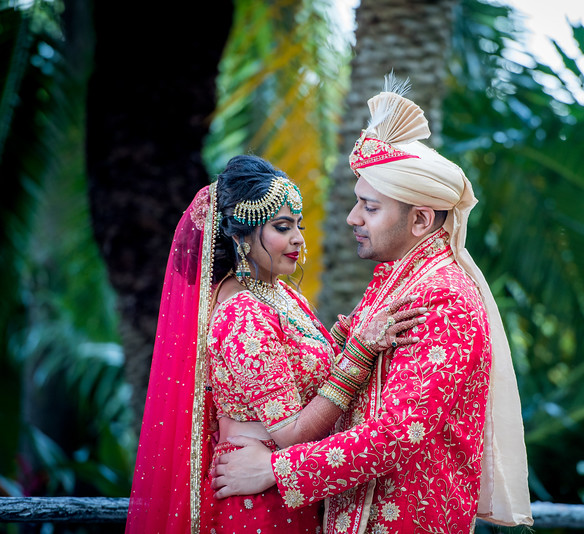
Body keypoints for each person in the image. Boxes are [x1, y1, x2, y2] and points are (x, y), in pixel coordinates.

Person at [211, 77, 534, 533]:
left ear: (420, 220)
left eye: (370, 207)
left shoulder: (445, 297)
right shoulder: (394, 281)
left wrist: (274, 471)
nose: (352, 218)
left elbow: (400, 431)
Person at [125, 154, 426, 534]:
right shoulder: (242, 314)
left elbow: (297, 369)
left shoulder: (278, 293)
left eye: (298, 225)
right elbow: (290, 432)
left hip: (286, 486)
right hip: (257, 500)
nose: (298, 238)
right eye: (282, 227)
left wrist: (349, 337)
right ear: (239, 236)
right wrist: (359, 353)